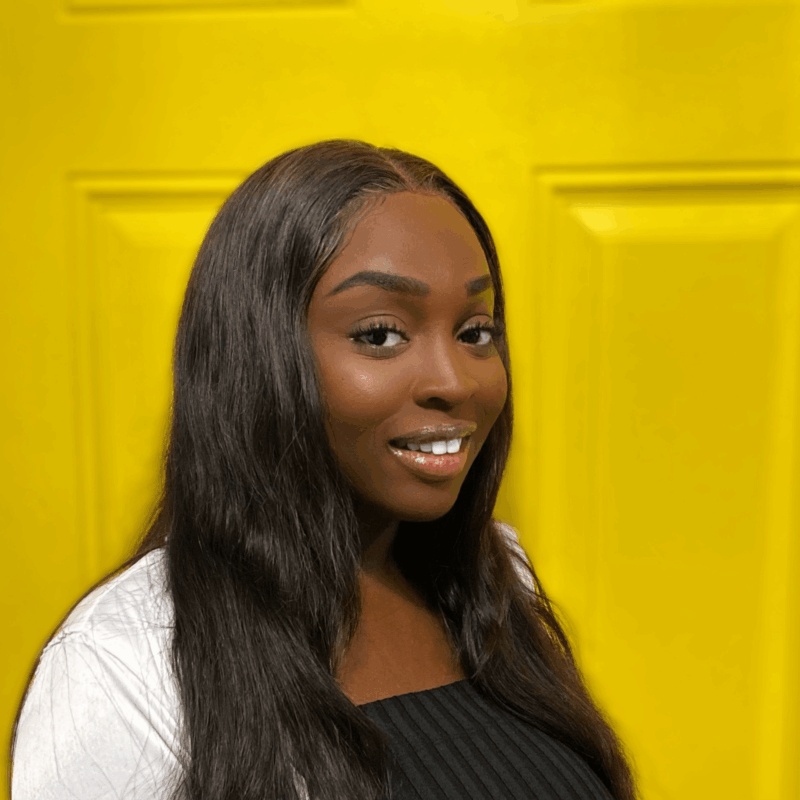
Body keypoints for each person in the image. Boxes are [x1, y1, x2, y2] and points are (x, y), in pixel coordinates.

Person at [10, 139, 639, 800]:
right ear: (259, 359)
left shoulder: (493, 578)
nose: (455, 381)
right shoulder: (122, 663)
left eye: (475, 332)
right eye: (380, 335)